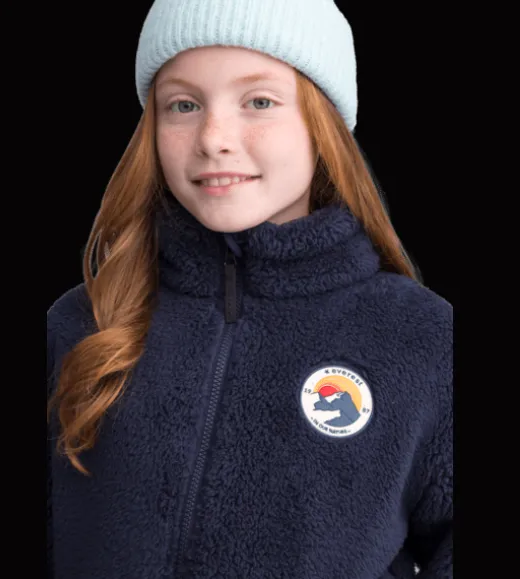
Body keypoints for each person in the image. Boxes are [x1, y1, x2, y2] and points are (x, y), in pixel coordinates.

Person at [46, 0, 453, 577]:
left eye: (259, 101)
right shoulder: (81, 324)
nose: (213, 138)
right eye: (183, 105)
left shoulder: (422, 338)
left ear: (323, 124)